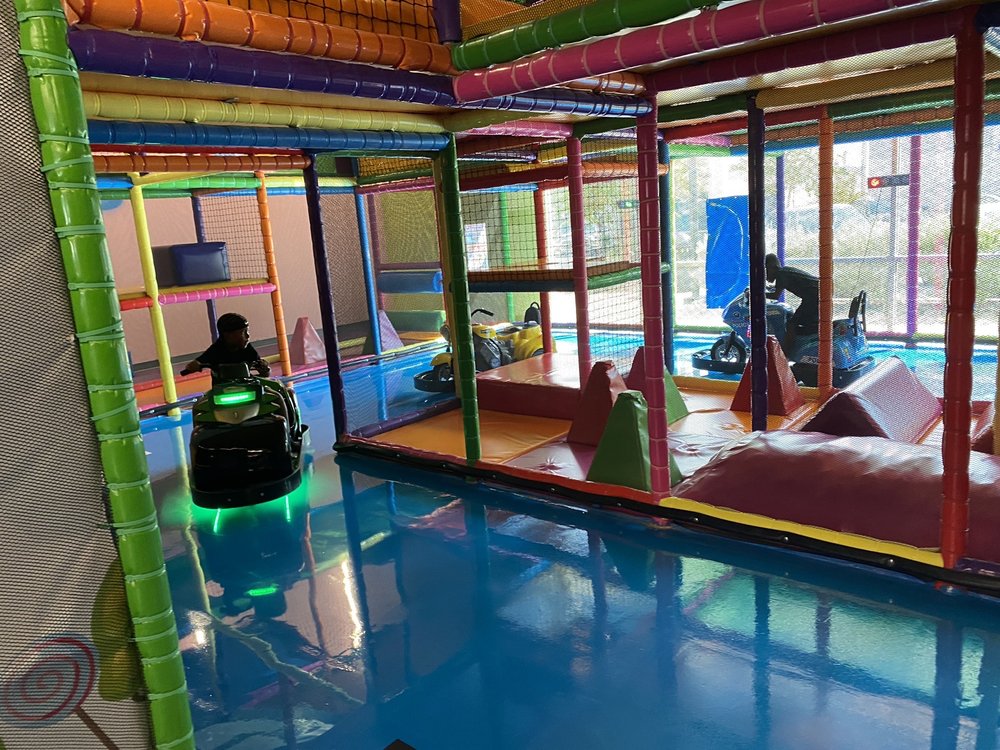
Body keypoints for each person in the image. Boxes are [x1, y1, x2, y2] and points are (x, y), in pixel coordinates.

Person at [181, 313, 271, 377]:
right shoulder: (216, 350)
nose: (247, 336)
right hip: (221, 388)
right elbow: (199, 361)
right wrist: (193, 366)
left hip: (246, 384)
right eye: (243, 332)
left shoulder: (248, 349)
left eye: (247, 331)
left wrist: (264, 368)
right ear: (228, 335)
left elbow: (265, 372)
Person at [765, 253, 819, 354]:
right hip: (817, 296)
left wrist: (757, 294)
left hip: (813, 298)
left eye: (766, 271)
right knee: (804, 323)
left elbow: (775, 296)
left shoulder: (781, 275)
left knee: (791, 325)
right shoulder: (785, 271)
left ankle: (786, 354)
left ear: (773, 267)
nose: (765, 275)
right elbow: (776, 289)